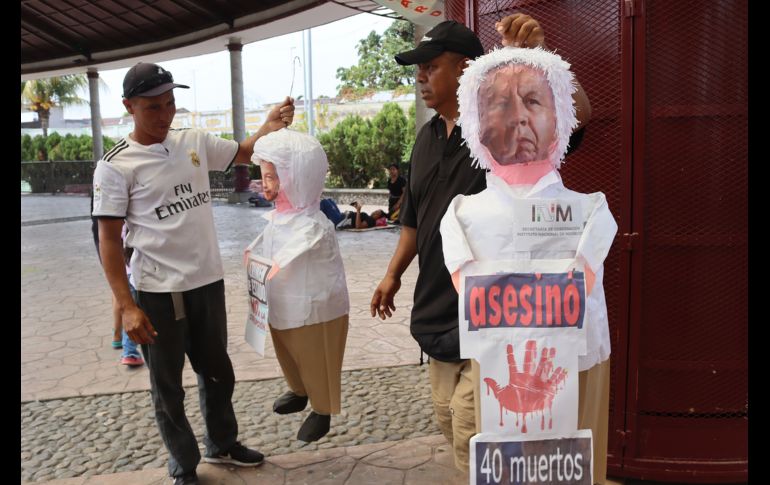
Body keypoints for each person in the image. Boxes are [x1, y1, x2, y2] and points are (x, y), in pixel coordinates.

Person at [369, 15, 591, 473]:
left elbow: (579, 115)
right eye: (419, 68)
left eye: (430, 66)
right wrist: (392, 275)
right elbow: (413, 220)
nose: (420, 77)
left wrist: (538, 59)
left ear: (466, 68)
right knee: (455, 435)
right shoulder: (425, 138)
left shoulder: (500, 131)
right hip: (434, 319)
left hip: (490, 324)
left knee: (478, 451)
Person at [92, 62, 294, 485]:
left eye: (170, 104)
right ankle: (183, 464)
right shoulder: (115, 166)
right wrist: (126, 306)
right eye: (153, 107)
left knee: (218, 371)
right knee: (168, 386)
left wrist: (269, 125)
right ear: (129, 106)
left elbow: (244, 151)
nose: (165, 115)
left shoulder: (193, 142)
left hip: (207, 283)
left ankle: (222, 444)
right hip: (157, 292)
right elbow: (108, 239)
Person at [440, 46, 616, 484]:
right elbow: (461, 271)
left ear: (560, 120)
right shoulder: (461, 214)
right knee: (505, 464)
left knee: (575, 459)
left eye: (533, 100)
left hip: (576, 363)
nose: (517, 116)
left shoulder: (591, 211)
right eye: (499, 103)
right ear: (476, 125)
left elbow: (587, 267)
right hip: (496, 361)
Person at [247, 128, 350, 442]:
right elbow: (267, 242)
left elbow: (302, 243)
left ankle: (322, 408)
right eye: (263, 176)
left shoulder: (313, 221)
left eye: (271, 176)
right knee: (288, 351)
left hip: (314, 308)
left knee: (315, 355)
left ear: (295, 177)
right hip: (281, 304)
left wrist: (274, 263)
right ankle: (298, 389)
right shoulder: (279, 217)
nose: (264, 183)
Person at [90, 194, 143, 364]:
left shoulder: (108, 214)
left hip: (124, 267)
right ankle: (129, 351)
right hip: (132, 268)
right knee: (131, 307)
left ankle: (119, 338)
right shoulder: (131, 218)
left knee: (122, 298)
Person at [320, 199, 387, 229]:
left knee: (324, 202)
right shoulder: (369, 217)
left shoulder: (371, 221)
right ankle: (322, 221)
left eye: (377, 213)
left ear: (378, 218)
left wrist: (358, 211)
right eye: (376, 211)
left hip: (340, 222)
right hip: (343, 216)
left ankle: (314, 219)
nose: (374, 212)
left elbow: (358, 226)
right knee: (330, 200)